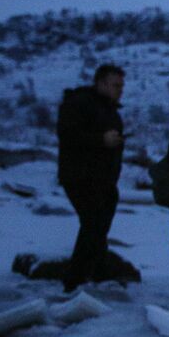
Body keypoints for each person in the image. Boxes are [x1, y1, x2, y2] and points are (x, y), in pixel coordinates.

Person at [56, 64, 125, 292]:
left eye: (121, 85)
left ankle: (98, 272)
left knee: (98, 226)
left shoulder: (110, 110)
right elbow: (68, 135)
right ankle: (75, 278)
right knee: (93, 224)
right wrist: (101, 140)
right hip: (81, 176)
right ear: (101, 83)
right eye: (116, 85)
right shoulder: (79, 104)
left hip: (103, 179)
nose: (120, 90)